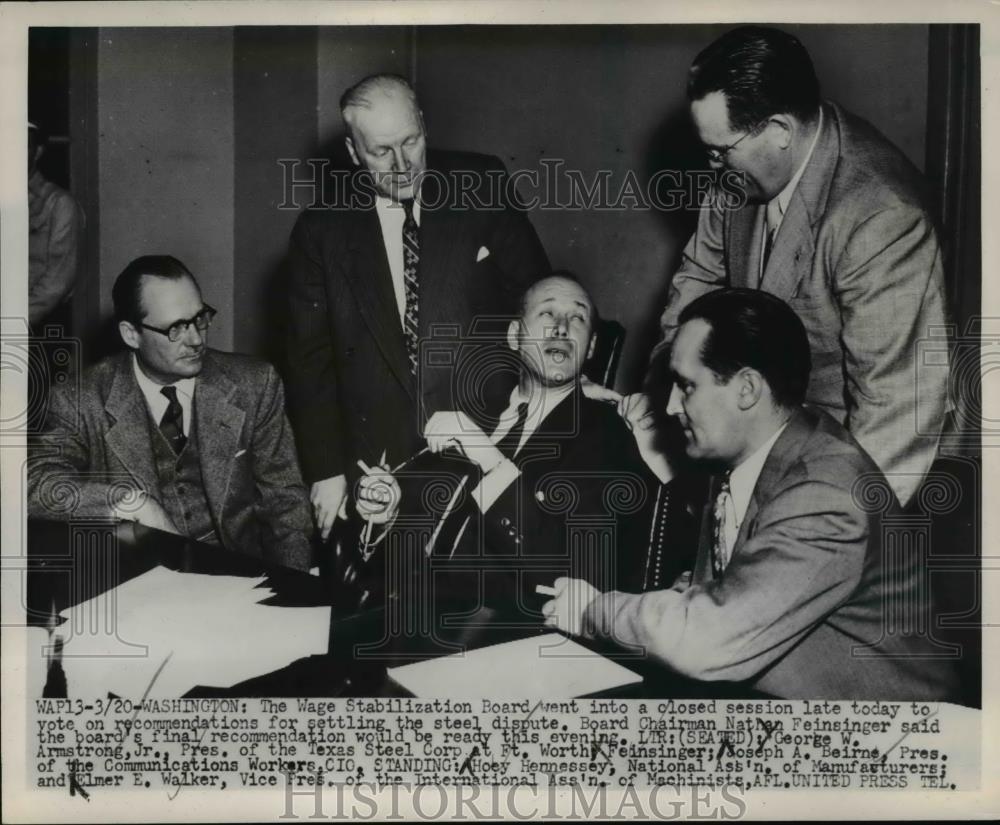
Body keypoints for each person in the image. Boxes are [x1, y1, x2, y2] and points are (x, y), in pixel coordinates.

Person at [543, 288, 958, 701]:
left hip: (898, 740)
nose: (670, 406)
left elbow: (706, 642)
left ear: (747, 389)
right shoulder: (750, 457)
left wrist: (592, 611)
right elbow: (724, 586)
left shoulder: (826, 491)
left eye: (687, 386)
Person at [640, 26, 950, 509]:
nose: (712, 168)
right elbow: (696, 281)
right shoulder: (739, 169)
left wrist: (818, 536)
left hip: (845, 461)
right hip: (757, 450)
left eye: (721, 152)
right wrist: (671, 387)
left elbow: (897, 416)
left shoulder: (881, 216)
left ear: (780, 131)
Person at [285, 73, 550, 543]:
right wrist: (326, 470)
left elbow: (539, 297)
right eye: (381, 151)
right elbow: (311, 362)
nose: (403, 164)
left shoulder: (480, 182)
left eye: (411, 141)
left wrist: (574, 383)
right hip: (379, 459)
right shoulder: (320, 230)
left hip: (488, 435)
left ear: (424, 126)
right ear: (352, 152)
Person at [354, 274, 685, 613]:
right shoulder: (478, 416)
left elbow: (565, 576)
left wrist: (491, 461)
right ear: (514, 336)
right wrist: (389, 512)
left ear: (593, 348)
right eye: (547, 314)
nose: (561, 328)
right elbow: (420, 539)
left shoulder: (605, 437)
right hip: (401, 612)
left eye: (578, 317)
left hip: (497, 637)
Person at [27, 255, 314, 571]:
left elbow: (285, 505)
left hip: (241, 576)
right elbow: (35, 485)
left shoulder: (254, 383)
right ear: (131, 334)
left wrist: (296, 589)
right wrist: (132, 502)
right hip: (138, 583)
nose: (195, 340)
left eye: (200, 318)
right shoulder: (79, 399)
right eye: (176, 328)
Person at [28, 122, 84, 330]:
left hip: (37, 326)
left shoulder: (58, 204)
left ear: (37, 152)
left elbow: (56, 284)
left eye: (22, 146)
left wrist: (11, 322)